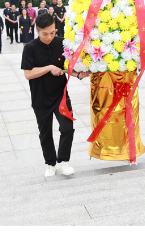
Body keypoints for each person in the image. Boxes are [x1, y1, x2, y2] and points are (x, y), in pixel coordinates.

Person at [21, 13, 89, 177]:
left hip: (60, 96)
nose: (49, 36)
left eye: (52, 32)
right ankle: (50, 164)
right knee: (45, 133)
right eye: (45, 33)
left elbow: (68, 66)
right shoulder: (30, 48)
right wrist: (49, 67)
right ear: (37, 31)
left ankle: (64, 161)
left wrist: (79, 74)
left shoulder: (61, 43)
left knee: (67, 128)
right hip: (40, 98)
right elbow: (28, 74)